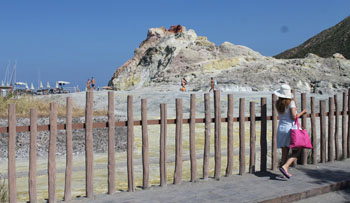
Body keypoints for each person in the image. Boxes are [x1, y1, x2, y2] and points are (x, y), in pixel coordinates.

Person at [274, 84, 307, 179]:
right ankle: (285, 166)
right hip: (290, 129)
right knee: (297, 150)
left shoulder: (277, 103)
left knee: (285, 152)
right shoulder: (291, 103)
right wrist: (302, 112)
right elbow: (294, 117)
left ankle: (284, 173)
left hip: (281, 128)